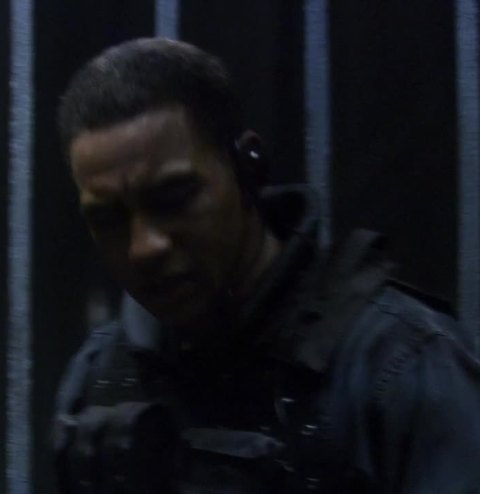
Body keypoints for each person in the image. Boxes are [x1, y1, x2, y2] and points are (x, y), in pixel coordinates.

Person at [52, 38, 480, 493]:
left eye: (174, 199)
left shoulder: (399, 366)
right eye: (108, 219)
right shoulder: (102, 374)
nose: (144, 248)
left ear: (247, 168)